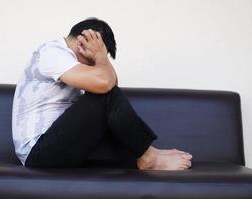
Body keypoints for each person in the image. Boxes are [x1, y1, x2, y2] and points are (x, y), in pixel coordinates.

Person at [12, 18, 193, 170]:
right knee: (106, 96)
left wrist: (100, 57)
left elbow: (110, 83)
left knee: (108, 104)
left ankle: (146, 153)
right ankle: (149, 157)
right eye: (94, 56)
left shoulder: (73, 65)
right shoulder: (52, 53)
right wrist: (100, 57)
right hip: (38, 153)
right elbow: (107, 85)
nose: (95, 66)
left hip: (57, 145)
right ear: (82, 42)